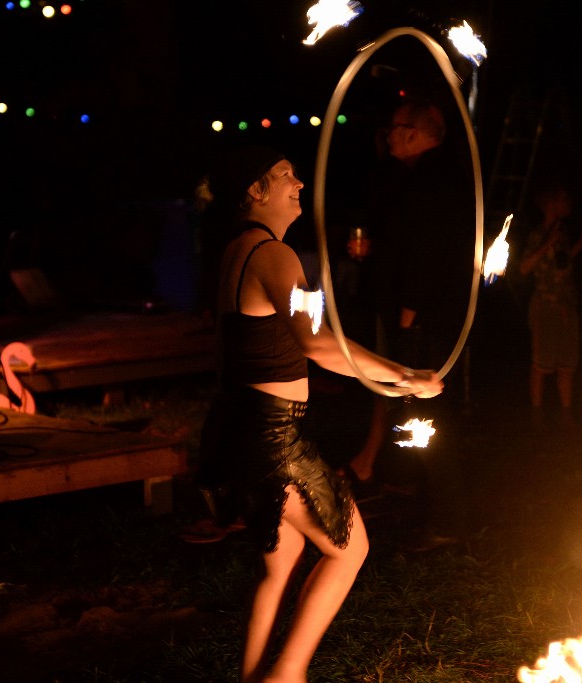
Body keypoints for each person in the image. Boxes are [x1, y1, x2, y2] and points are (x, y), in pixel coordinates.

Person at [196, 144, 443, 683]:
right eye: (284, 175)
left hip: (241, 429)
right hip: (271, 435)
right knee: (349, 549)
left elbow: (313, 338)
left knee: (279, 565)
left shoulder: (241, 250)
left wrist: (389, 376)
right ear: (255, 191)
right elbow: (319, 345)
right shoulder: (270, 254)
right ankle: (287, 676)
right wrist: (405, 376)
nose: (298, 183)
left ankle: (256, 678)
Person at [343, 98, 475, 550]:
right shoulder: (424, 177)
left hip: (425, 319)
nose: (389, 134)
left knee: (431, 415)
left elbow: (428, 253)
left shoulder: (433, 183)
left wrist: (408, 318)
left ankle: (446, 521)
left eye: (397, 127)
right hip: (427, 314)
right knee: (420, 412)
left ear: (417, 133)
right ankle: (428, 506)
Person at [518, 180, 582, 430]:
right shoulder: (538, 234)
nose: (568, 203)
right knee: (542, 361)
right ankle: (537, 412)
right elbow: (525, 267)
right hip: (546, 305)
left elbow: (563, 264)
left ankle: (566, 412)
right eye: (563, 199)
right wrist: (547, 242)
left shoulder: (562, 233)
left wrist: (581, 241)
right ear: (551, 204)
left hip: (566, 305)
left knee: (567, 362)